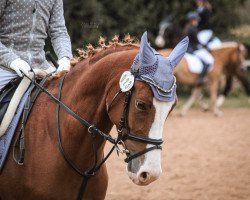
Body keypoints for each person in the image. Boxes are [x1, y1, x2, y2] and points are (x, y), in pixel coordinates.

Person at [0, 0, 73, 91]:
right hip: (5, 66)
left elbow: (59, 32)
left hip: (42, 67)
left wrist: (65, 58)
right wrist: (12, 60)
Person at [185, 11, 214, 85]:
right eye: (196, 20)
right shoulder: (193, 29)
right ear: (192, 20)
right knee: (208, 61)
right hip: (194, 49)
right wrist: (206, 46)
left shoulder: (188, 28)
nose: (197, 21)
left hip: (189, 48)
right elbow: (197, 42)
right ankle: (201, 78)